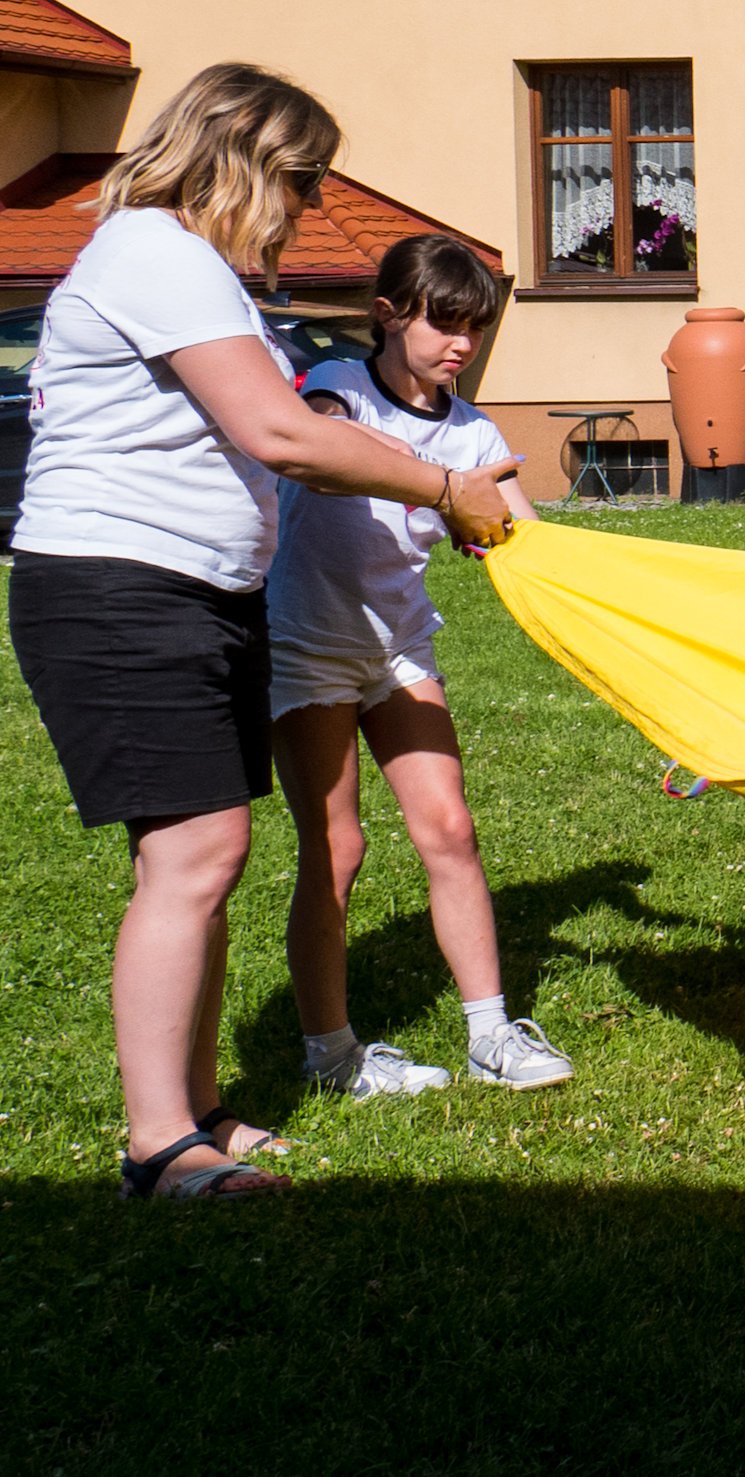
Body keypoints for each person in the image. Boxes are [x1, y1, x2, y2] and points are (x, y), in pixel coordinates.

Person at [6, 65, 512, 1200]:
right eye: (300, 180)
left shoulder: (191, 269)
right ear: (241, 157)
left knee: (197, 859)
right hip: (119, 588)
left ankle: (198, 1112)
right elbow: (280, 432)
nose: (302, 210)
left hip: (193, 594)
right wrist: (441, 485)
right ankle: (157, 1145)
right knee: (196, 856)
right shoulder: (156, 253)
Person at [268, 233, 567, 1098]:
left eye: (474, 325)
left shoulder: (475, 429)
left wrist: (523, 543)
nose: (460, 343)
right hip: (307, 643)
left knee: (451, 827)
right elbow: (321, 463)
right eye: (443, 322)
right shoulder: (340, 392)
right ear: (388, 315)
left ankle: (490, 1034)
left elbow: (525, 529)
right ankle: (330, 1054)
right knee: (337, 847)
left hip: (399, 646)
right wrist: (444, 487)